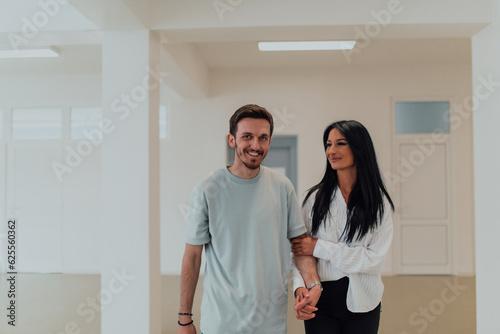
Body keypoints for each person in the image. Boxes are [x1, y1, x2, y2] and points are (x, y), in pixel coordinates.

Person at [178, 104, 320, 334]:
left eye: (263, 138)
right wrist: (184, 318)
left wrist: (311, 284)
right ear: (231, 140)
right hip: (220, 325)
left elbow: (300, 246)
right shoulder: (207, 190)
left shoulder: (282, 187)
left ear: (270, 141)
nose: (255, 145)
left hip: (270, 325)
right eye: (247, 137)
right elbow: (192, 257)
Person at [291, 120, 394, 334]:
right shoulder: (312, 200)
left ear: (359, 147)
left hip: (364, 302)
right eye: (328, 144)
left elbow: (374, 260)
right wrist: (299, 287)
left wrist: (320, 247)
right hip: (320, 301)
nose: (331, 151)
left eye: (340, 143)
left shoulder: (379, 203)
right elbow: (298, 251)